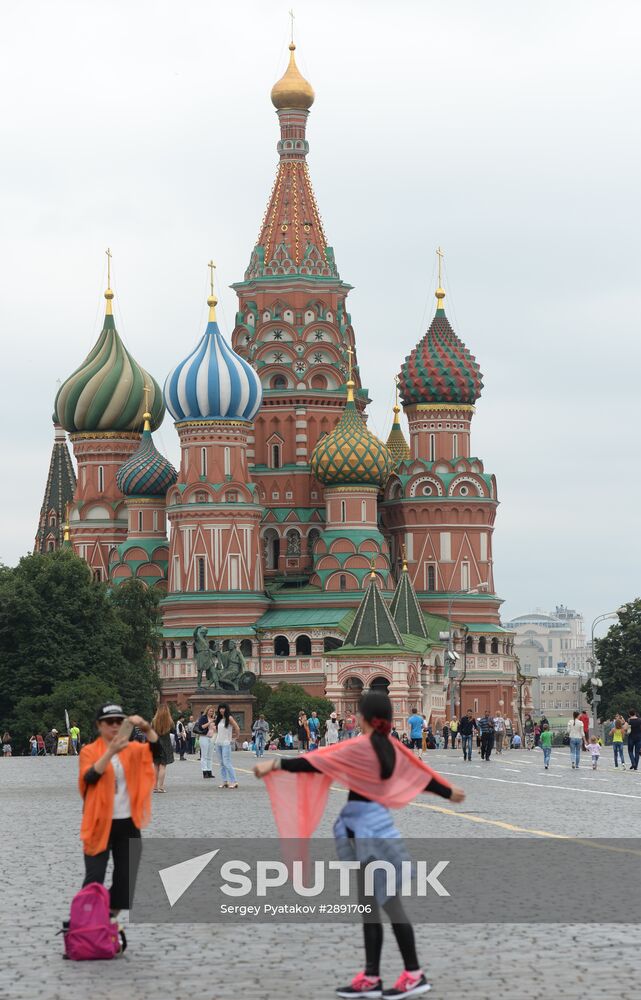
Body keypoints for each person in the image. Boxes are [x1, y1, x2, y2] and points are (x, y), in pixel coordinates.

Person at [254, 691, 465, 999]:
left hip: (367, 833)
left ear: (364, 718)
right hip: (374, 827)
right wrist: (448, 793)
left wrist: (275, 764)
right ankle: (372, 976)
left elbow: (316, 762)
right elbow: (421, 777)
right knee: (373, 907)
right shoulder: (391, 746)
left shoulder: (360, 746)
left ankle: (413, 974)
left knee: (386, 905)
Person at [79, 703, 157, 919]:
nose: (114, 726)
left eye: (119, 721)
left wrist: (146, 728)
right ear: (99, 725)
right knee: (94, 877)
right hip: (98, 822)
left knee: (126, 880)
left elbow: (156, 750)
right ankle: (86, 918)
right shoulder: (89, 751)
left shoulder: (132, 749)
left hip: (128, 823)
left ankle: (106, 918)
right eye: (109, 722)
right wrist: (111, 751)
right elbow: (89, 777)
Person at [214, 703, 240, 788]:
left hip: (226, 743)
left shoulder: (229, 718)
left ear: (226, 709)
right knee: (221, 763)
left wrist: (235, 738)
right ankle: (225, 781)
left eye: (223, 708)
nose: (221, 710)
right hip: (218, 742)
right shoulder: (219, 718)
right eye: (220, 708)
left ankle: (234, 781)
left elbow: (237, 728)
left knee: (227, 762)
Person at [150, 705, 175, 791]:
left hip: (155, 745)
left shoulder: (154, 721)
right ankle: (161, 786)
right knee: (163, 766)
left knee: (155, 766)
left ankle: (154, 786)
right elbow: (173, 730)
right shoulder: (170, 722)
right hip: (166, 745)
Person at [197, 706, 216, 779]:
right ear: (207, 711)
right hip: (204, 737)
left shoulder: (213, 718)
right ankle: (204, 772)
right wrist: (209, 722)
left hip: (211, 738)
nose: (211, 712)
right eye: (210, 711)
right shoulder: (203, 718)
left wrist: (215, 727)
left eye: (212, 711)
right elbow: (201, 727)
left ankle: (209, 771)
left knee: (210, 756)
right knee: (204, 755)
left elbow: (214, 728)